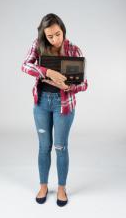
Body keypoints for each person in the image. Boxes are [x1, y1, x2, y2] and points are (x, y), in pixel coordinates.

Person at [21, 13, 88, 206]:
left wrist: (69, 87)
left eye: (58, 34)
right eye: (50, 36)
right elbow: (24, 65)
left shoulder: (74, 49)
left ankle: (61, 188)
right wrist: (47, 71)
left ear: (63, 30)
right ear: (44, 35)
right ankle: (43, 185)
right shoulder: (38, 45)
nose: (55, 39)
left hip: (63, 104)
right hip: (41, 103)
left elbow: (84, 84)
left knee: (61, 147)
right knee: (43, 147)